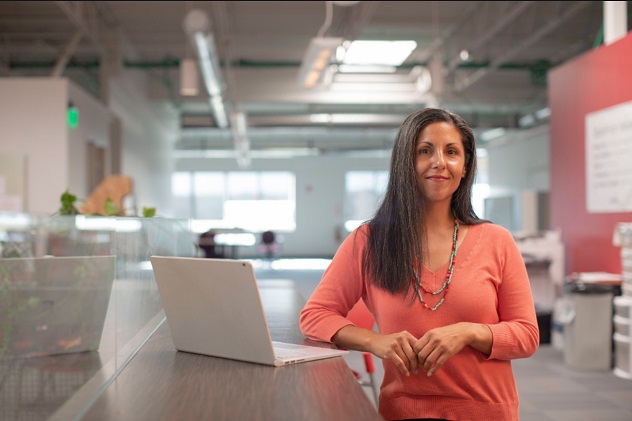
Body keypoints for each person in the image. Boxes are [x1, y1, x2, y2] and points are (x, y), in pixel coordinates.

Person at [299, 108, 539, 421]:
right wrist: (375, 342)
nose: (439, 162)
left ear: (465, 167)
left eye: (452, 152)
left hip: (486, 412)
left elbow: (527, 335)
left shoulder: (497, 240)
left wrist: (471, 332)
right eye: (425, 151)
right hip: (403, 411)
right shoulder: (369, 241)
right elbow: (315, 316)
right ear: (405, 163)